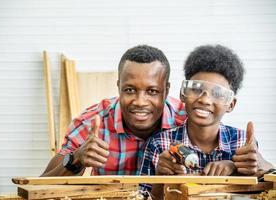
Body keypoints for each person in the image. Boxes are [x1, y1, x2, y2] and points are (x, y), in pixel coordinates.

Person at [139, 44, 274, 199]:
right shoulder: (159, 144)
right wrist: (160, 178)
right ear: (183, 93)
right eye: (196, 88)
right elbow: (144, 196)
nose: (204, 99)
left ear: (231, 104)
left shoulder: (243, 142)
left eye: (217, 93)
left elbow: (264, 189)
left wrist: (245, 166)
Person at [41, 44, 187, 176]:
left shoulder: (186, 122)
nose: (140, 102)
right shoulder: (90, 123)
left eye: (152, 91)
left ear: (166, 90)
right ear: (118, 86)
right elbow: (39, 187)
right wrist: (76, 159)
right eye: (130, 90)